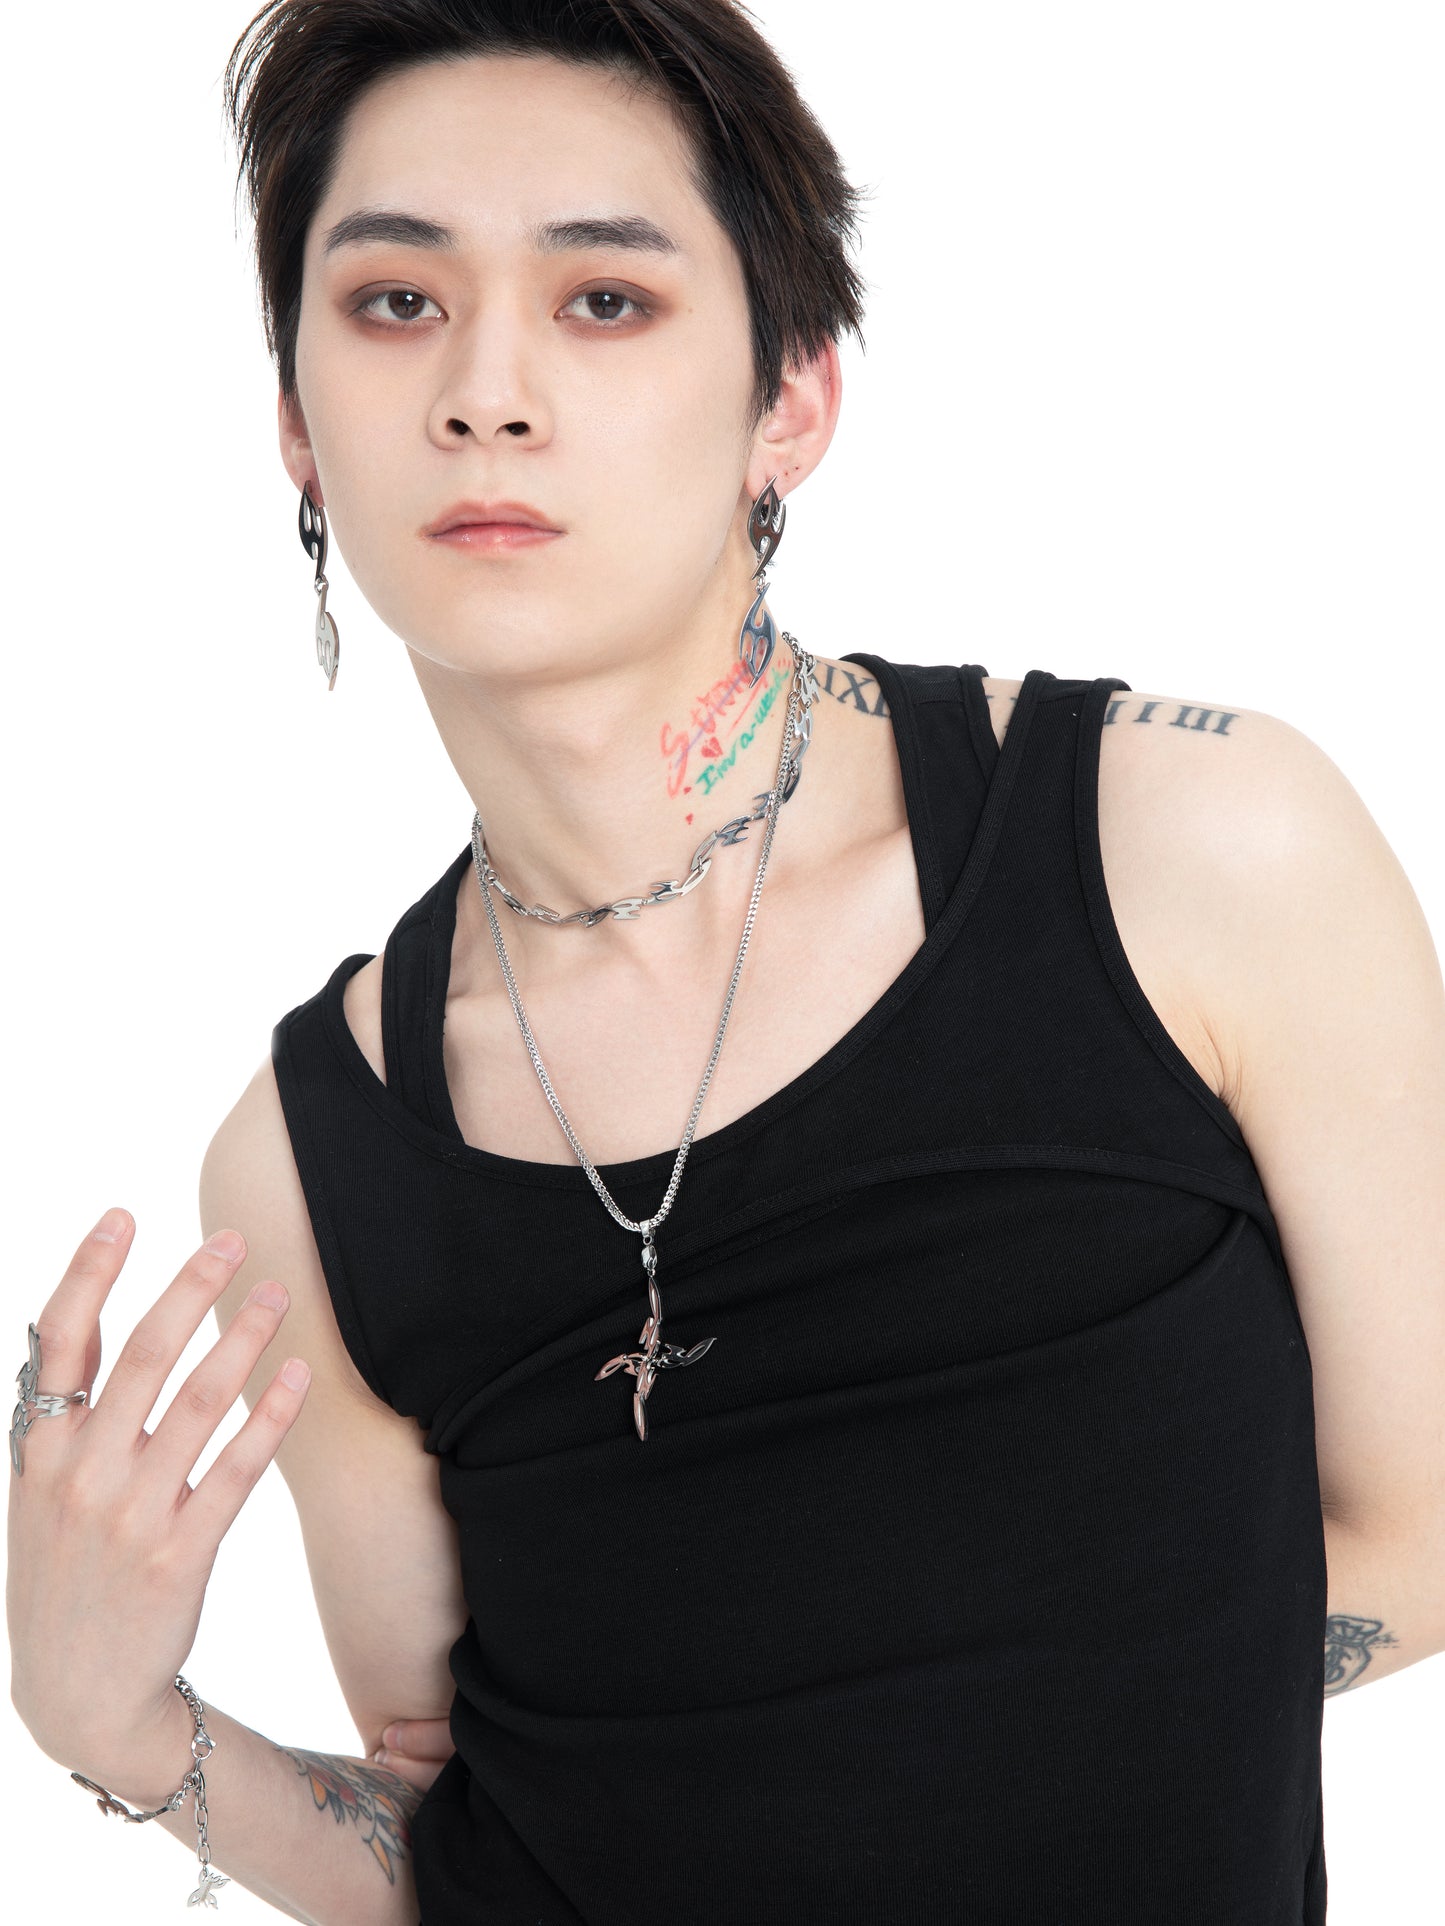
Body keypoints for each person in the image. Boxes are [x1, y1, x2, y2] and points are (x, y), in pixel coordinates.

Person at [8, 2, 1444, 1922]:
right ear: (296, 425)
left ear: (792, 398)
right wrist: (118, 1724)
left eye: (604, 300)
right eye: (394, 304)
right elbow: (482, 1841)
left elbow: (1425, 1527)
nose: (486, 393)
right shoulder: (312, 1162)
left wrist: (990, 1728)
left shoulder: (1190, 850)